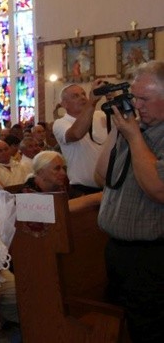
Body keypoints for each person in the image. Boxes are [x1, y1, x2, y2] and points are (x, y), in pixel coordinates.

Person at [95, 61, 164, 343]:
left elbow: (157, 189)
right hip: (119, 252)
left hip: (151, 258)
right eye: (134, 97)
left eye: (144, 99)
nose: (137, 105)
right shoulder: (136, 128)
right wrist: (118, 127)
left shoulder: (148, 135)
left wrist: (134, 136)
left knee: (150, 331)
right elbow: (101, 176)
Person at [53, 82, 107, 198]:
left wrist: (113, 98)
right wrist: (92, 103)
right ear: (64, 104)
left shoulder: (100, 116)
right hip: (83, 191)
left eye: (83, 94)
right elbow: (76, 134)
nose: (82, 97)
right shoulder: (60, 123)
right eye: (75, 96)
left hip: (108, 188)